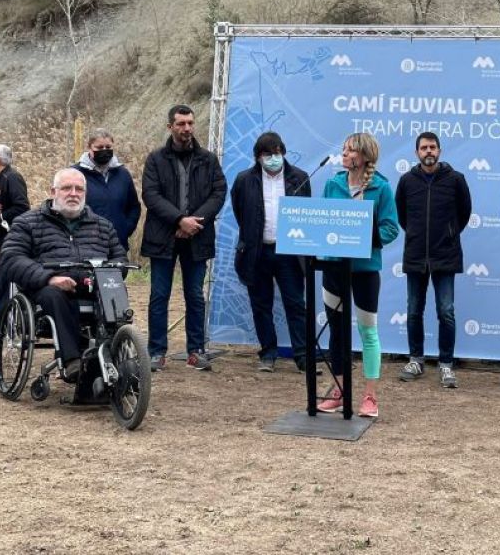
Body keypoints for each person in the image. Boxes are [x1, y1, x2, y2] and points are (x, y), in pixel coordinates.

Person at [0, 168, 125, 377]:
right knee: (54, 295)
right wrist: (49, 278)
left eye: (79, 189)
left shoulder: (103, 226)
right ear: (53, 191)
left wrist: (108, 274)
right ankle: (72, 361)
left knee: (114, 291)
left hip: (92, 284)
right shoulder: (27, 222)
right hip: (46, 288)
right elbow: (11, 259)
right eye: (67, 188)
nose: (73, 193)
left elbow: (120, 259)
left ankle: (118, 357)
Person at [317, 133, 399, 418]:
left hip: (364, 270)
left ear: (365, 157)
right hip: (333, 267)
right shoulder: (332, 184)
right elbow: (322, 220)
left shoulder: (381, 188)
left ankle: (370, 396)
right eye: (343, 149)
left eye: (351, 150)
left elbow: (391, 229)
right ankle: (339, 390)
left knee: (368, 331)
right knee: (336, 330)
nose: (345, 154)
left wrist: (362, 236)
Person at [141, 104, 226, 373]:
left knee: (195, 295)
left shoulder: (208, 159)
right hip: (162, 237)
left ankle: (195, 351)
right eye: (181, 124)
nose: (186, 128)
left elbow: (218, 193)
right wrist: (179, 220)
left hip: (197, 237)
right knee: (159, 295)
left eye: (190, 123)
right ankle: (156, 352)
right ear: (170, 127)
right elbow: (151, 195)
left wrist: (194, 223)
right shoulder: (155, 159)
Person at [394, 132, 472, 388]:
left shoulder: (456, 180)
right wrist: (418, 235)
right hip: (416, 255)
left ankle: (446, 364)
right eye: (424, 148)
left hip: (445, 256)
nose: (429, 151)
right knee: (414, 311)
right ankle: (416, 359)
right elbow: (402, 216)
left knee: (446, 312)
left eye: (433, 147)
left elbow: (464, 213)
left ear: (439, 150)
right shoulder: (406, 181)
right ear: (416, 152)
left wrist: (448, 234)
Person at [230, 132, 312, 373]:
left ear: (283, 152)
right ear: (258, 157)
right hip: (257, 252)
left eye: (277, 153)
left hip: (289, 253)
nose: (273, 158)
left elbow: (305, 215)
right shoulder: (244, 180)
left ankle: (303, 356)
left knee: (296, 305)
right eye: (268, 154)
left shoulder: (300, 178)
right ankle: (268, 353)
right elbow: (240, 211)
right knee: (261, 305)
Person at [0, 144, 30, 339]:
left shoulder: (12, 178)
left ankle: (8, 328)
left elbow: (22, 208)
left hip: (7, 244)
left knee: (5, 288)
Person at [73, 128, 141, 251]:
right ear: (89, 148)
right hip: (85, 246)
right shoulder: (75, 173)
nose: (104, 151)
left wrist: (125, 228)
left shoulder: (123, 174)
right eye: (99, 148)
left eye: (108, 147)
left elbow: (134, 206)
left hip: (117, 244)